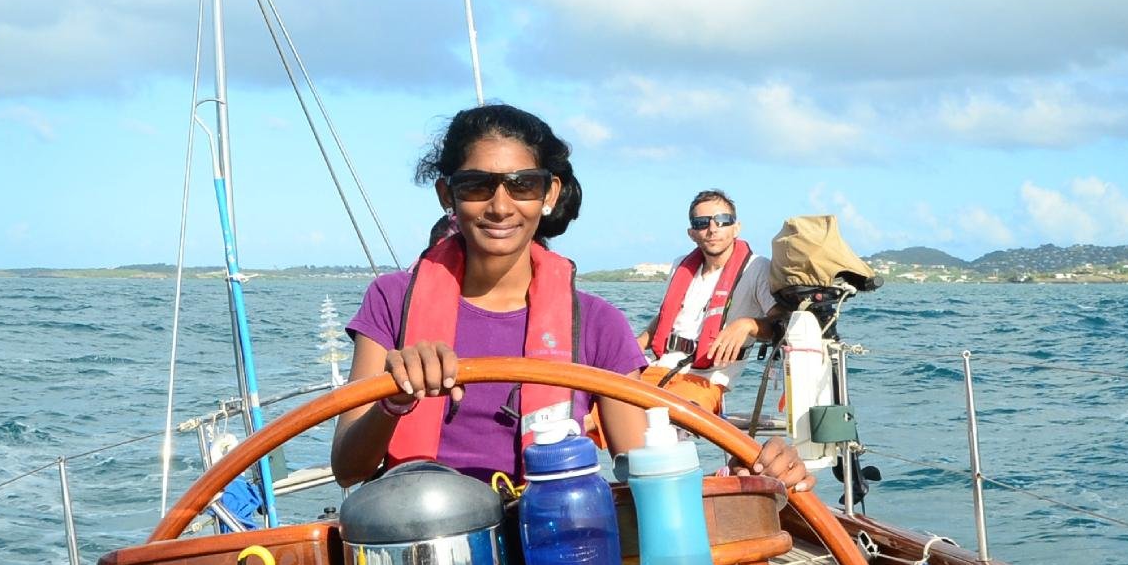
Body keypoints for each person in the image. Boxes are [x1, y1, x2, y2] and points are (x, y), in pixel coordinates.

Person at [331, 105, 809, 490]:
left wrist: (755, 476)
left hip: (553, 549)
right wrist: (394, 402)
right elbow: (348, 468)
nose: (500, 205)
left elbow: (649, 470)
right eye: (477, 185)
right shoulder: (392, 300)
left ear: (549, 194)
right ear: (447, 195)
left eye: (523, 185)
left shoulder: (597, 325)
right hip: (420, 546)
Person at [640, 190, 778, 414]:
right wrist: (631, 346)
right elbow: (666, 318)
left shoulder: (757, 268)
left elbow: (779, 323)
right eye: (702, 223)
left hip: (707, 379)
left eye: (722, 221)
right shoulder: (680, 266)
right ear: (692, 233)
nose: (713, 229)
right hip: (660, 367)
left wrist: (748, 325)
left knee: (665, 419)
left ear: (736, 227)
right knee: (599, 409)